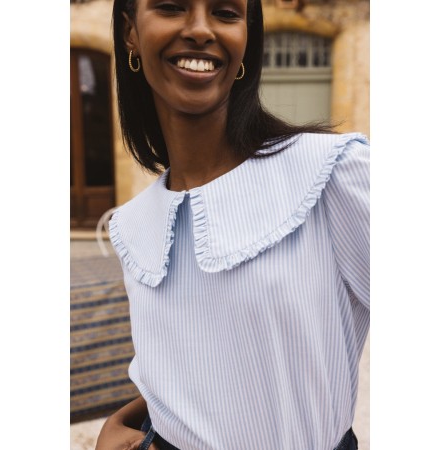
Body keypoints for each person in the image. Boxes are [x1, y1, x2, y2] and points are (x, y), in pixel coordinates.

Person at [95, 0, 369, 448]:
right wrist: (124, 429)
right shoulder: (133, 227)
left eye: (225, 12)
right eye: (171, 6)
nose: (201, 29)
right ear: (130, 32)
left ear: (247, 36)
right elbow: (194, 375)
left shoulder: (332, 174)